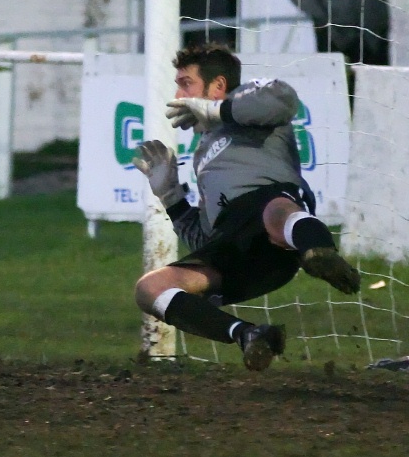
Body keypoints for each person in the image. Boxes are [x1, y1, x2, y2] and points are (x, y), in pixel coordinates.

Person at [132, 43, 361, 372]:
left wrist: (215, 110)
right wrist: (170, 196)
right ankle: (250, 335)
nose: (178, 94)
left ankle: (319, 252)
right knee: (149, 288)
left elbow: (283, 100)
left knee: (272, 210)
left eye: (185, 83)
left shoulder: (251, 105)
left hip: (274, 221)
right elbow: (205, 240)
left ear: (219, 86)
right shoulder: (202, 157)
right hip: (244, 256)